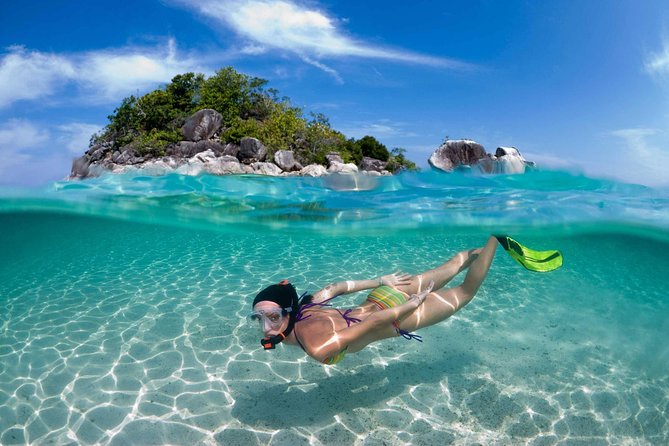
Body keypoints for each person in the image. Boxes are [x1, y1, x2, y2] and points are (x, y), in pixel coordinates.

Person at [249, 235, 500, 365]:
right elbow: (336, 287)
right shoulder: (309, 304)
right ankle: (484, 248)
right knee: (453, 265)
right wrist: (381, 280)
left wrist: (412, 305)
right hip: (381, 295)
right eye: (258, 319)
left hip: (397, 317)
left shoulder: (316, 347)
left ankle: (497, 238)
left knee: (465, 292)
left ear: (288, 311)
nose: (265, 328)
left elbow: (372, 323)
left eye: (273, 317)